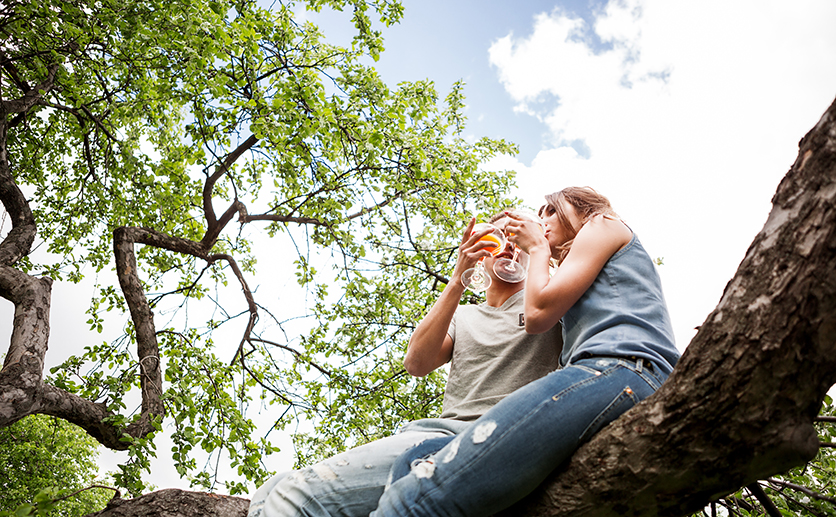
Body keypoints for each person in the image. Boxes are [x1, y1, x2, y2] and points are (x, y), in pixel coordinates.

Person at [372, 186, 681, 517]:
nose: (540, 222)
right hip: (600, 376)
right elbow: (416, 362)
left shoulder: (602, 223)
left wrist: (536, 248)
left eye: (547, 212)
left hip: (622, 367)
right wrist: (467, 272)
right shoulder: (567, 272)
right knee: (416, 460)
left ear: (572, 206)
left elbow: (536, 315)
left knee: (415, 499)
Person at [247, 210, 563, 517]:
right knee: (271, 487)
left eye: (519, 237)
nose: (510, 246)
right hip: (427, 437)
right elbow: (417, 362)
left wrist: (544, 252)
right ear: (483, 251)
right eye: (502, 237)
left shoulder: (552, 304)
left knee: (296, 495)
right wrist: (458, 279)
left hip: (479, 441)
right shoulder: (463, 315)